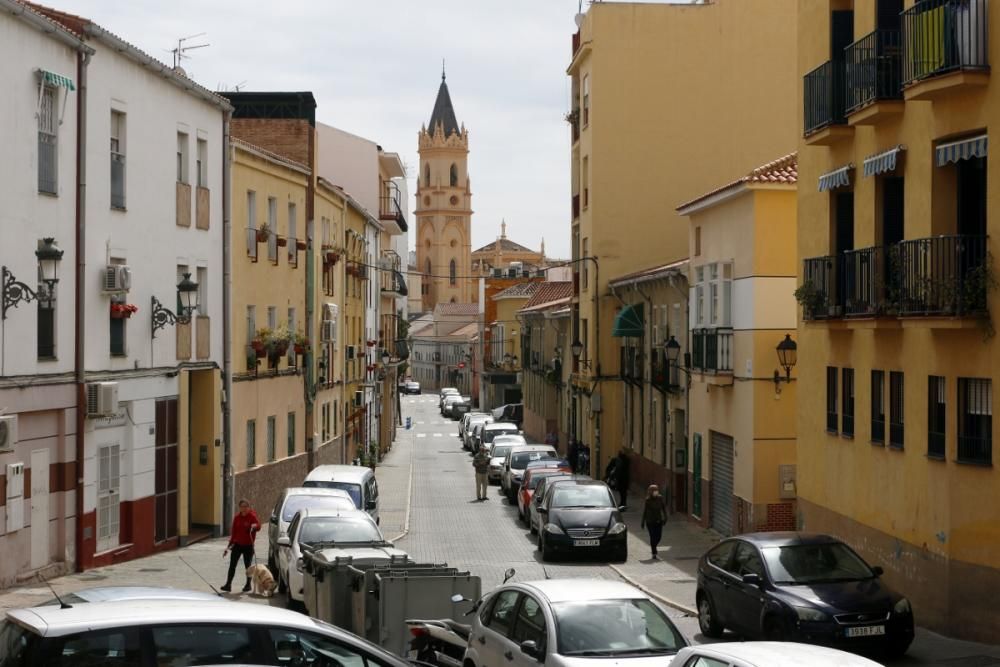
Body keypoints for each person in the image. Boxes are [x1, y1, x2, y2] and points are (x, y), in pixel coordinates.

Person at [222, 498, 261, 592]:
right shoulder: (237, 518)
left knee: (248, 567)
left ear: (249, 507)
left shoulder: (252, 516)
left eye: (246, 506)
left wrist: (253, 527)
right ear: (239, 507)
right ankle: (228, 584)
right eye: (242, 506)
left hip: (248, 545)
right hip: (237, 545)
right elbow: (233, 533)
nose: (244, 508)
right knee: (232, 565)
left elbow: (258, 525)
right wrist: (228, 547)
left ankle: (248, 585)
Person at [640, 484, 668, 560]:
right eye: (653, 490)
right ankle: (654, 552)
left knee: (658, 537)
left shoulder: (660, 498)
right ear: (650, 491)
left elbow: (663, 508)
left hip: (659, 521)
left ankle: (654, 546)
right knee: (652, 536)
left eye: (656, 490)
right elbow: (645, 511)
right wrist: (642, 522)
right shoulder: (648, 500)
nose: (655, 492)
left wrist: (665, 517)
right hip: (650, 521)